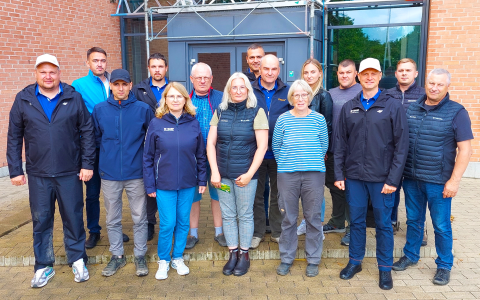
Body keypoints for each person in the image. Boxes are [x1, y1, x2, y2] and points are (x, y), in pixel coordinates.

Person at [7, 54, 95, 287]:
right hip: (39, 173)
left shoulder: (72, 97)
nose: (48, 76)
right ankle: (44, 266)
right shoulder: (23, 99)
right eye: (43, 72)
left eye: (52, 71)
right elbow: (14, 136)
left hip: (70, 172)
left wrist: (87, 164)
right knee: (41, 220)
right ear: (36, 73)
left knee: (73, 218)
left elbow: (86, 131)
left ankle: (77, 259)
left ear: (59, 73)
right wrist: (15, 170)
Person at [392, 68, 473, 286]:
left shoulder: (457, 112)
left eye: (440, 84)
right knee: (414, 221)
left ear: (447, 87)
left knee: (441, 225)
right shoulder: (411, 108)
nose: (434, 88)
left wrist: (454, 181)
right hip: (411, 177)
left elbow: (465, 150)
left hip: (439, 181)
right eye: (431, 83)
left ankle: (444, 265)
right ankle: (410, 255)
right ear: (426, 83)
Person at [334, 58, 409, 290]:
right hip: (354, 177)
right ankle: (355, 261)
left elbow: (402, 145)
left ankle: (385, 269)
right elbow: (340, 143)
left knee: (383, 225)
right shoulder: (349, 107)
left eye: (373, 73)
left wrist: (393, 180)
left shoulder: (392, 105)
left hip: (382, 180)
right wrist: (339, 174)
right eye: (364, 73)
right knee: (355, 221)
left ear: (379, 76)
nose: (368, 77)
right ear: (359, 77)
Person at [92, 69, 154, 277]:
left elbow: (151, 139)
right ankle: (117, 255)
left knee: (139, 217)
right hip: (109, 174)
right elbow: (95, 139)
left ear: (130, 85)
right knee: (112, 218)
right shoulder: (100, 110)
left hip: (136, 173)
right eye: (116, 84)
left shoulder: (143, 109)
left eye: (124, 84)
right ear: (110, 85)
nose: (120, 88)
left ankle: (139, 255)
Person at [143, 82, 207, 280]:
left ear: (185, 99)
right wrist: (150, 184)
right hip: (164, 184)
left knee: (182, 222)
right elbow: (147, 157)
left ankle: (177, 257)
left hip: (188, 183)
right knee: (168, 223)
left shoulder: (193, 123)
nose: (175, 100)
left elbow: (201, 155)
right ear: (165, 100)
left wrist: (202, 180)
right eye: (171, 96)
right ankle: (163, 260)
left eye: (179, 96)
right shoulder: (156, 123)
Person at [207, 72, 269, 276]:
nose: (238, 91)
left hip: (245, 178)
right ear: (228, 90)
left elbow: (262, 147)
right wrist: (214, 172)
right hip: (222, 177)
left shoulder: (256, 112)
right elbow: (211, 143)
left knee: (244, 214)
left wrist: (250, 174)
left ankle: (244, 254)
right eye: (234, 87)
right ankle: (232, 252)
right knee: (228, 214)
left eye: (242, 87)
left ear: (248, 90)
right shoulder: (220, 111)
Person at [72, 47, 129, 248]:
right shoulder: (78, 86)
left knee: (115, 191)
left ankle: (116, 229)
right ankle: (94, 231)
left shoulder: (114, 83)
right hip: (92, 146)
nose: (99, 64)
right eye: (95, 60)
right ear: (87, 63)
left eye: (103, 60)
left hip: (116, 147)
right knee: (93, 192)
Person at [273, 80, 329, 277]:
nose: (300, 98)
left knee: (313, 217)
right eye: (296, 95)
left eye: (304, 94)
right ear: (291, 98)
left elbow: (324, 146)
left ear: (309, 97)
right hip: (288, 175)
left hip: (313, 174)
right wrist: (288, 164)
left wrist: (309, 161)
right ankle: (287, 258)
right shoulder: (283, 120)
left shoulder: (319, 119)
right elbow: (276, 147)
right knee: (288, 218)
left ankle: (313, 259)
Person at [318, 59, 362, 246]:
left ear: (355, 73)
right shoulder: (330, 94)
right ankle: (337, 222)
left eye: (348, 72)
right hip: (332, 150)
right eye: (341, 73)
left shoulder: (362, 92)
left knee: (353, 190)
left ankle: (354, 228)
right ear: (337, 74)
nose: (344, 76)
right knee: (334, 187)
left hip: (354, 152)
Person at [251, 54, 291, 248]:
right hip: (254, 153)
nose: (269, 72)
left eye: (273, 69)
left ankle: (277, 230)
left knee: (278, 194)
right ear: (259, 68)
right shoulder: (249, 90)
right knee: (256, 195)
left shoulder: (288, 91)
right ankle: (257, 232)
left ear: (278, 70)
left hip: (280, 154)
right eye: (266, 69)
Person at [185, 63, 226, 249]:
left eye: (206, 77)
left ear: (211, 79)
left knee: (220, 195)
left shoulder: (222, 98)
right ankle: (192, 234)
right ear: (191, 79)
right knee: (193, 197)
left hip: (218, 158)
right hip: (191, 159)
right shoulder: (184, 100)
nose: (202, 80)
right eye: (198, 77)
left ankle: (220, 232)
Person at [386, 58, 426, 235]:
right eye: (401, 70)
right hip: (390, 152)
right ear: (395, 74)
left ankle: (417, 227)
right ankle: (392, 221)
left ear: (415, 73)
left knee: (414, 193)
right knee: (391, 188)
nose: (404, 73)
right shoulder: (386, 94)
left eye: (408, 70)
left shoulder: (424, 95)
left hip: (414, 153)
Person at [133, 52, 169, 241]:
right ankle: (149, 222)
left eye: (160, 66)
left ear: (166, 68)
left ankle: (167, 222)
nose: (157, 70)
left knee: (165, 182)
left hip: (169, 144)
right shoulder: (139, 90)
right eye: (153, 66)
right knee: (148, 183)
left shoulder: (173, 88)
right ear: (149, 69)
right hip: (145, 143)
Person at [296, 58, 332, 237]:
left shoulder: (324, 96)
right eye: (306, 72)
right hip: (299, 151)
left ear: (320, 74)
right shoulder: (299, 93)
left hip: (316, 151)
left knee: (317, 189)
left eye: (313, 72)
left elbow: (328, 125)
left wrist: (323, 151)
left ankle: (317, 224)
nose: (309, 76)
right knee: (304, 188)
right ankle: (306, 221)